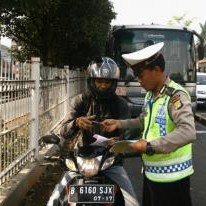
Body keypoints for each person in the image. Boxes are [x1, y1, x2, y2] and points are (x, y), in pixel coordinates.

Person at [101, 42, 196, 206]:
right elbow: (144, 120)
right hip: (152, 175)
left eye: (140, 74)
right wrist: (119, 124)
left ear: (157, 70)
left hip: (172, 180)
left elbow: (188, 132)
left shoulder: (176, 96)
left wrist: (149, 146)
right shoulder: (151, 95)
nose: (138, 80)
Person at [47, 57, 139, 206]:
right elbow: (64, 131)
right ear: (92, 81)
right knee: (54, 201)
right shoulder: (80, 101)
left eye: (107, 82)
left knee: (132, 202)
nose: (103, 85)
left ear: (113, 83)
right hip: (81, 159)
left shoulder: (121, 105)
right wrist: (76, 123)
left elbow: (127, 131)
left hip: (110, 160)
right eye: (99, 81)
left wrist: (121, 140)